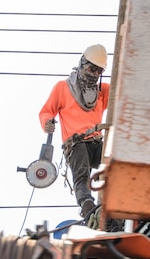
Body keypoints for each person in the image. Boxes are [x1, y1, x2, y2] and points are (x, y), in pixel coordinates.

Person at [39, 44, 110, 218]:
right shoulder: (63, 88)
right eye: (92, 69)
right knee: (82, 173)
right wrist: (47, 122)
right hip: (75, 143)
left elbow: (123, 95)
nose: (94, 74)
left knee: (112, 165)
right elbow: (47, 111)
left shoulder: (103, 91)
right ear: (83, 64)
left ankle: (113, 202)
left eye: (98, 72)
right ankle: (87, 206)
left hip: (96, 142)